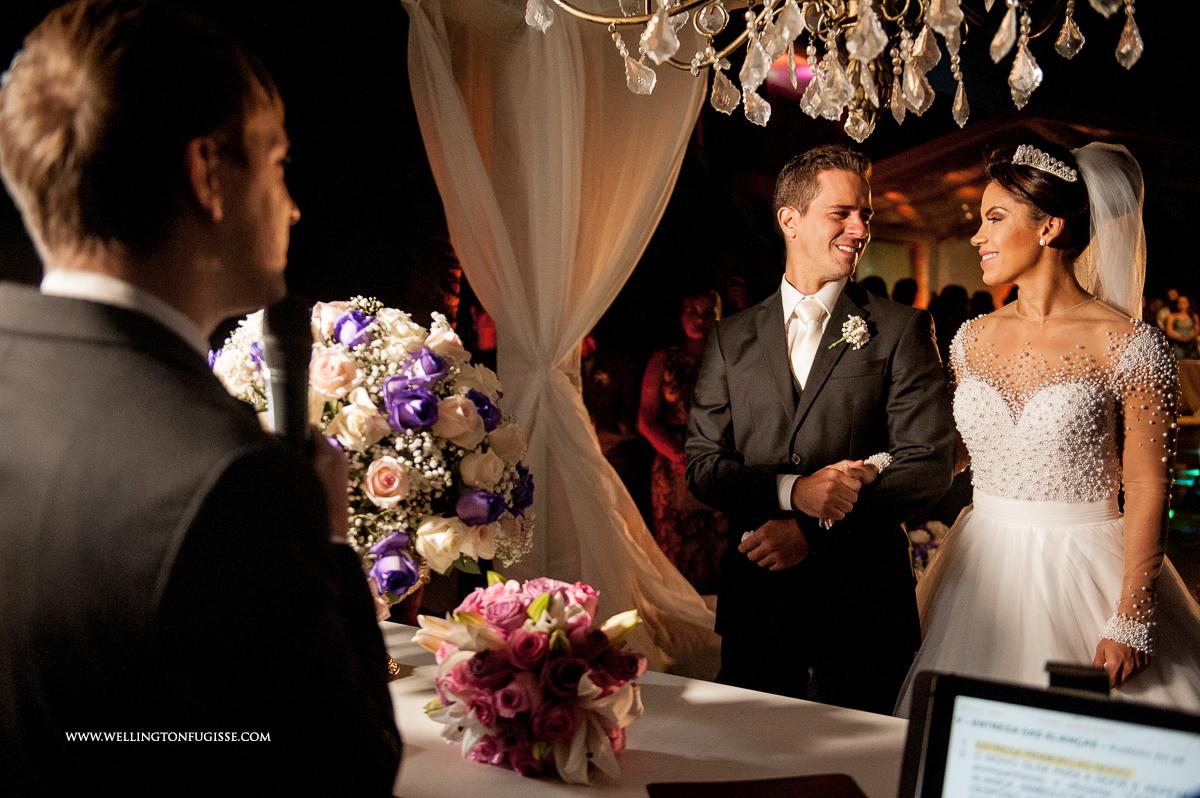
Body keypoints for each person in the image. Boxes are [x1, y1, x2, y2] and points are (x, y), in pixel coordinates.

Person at [0, 2, 402, 793]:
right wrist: (330, 546)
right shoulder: (233, 481)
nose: (291, 207)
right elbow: (348, 777)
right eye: (278, 163)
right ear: (208, 175)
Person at [895, 140, 1200, 717]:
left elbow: (1149, 488)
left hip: (1085, 570)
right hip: (982, 568)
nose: (978, 237)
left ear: (1049, 227)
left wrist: (1133, 612)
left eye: (995, 218)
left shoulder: (1131, 346)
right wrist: (883, 461)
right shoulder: (970, 339)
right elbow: (957, 452)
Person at [686, 145, 956, 714]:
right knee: (747, 762)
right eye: (842, 213)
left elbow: (927, 463)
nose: (860, 229)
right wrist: (791, 493)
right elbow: (703, 465)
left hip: (863, 602)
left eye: (866, 215)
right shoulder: (731, 338)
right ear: (790, 218)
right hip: (757, 594)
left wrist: (814, 529)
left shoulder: (902, 328)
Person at [639, 290, 728, 594]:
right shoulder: (664, 359)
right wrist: (680, 456)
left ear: (718, 316)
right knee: (676, 545)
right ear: (681, 316)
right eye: (692, 310)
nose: (700, 318)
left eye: (707, 311)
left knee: (718, 544)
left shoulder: (730, 360)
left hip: (719, 460)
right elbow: (645, 420)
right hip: (672, 462)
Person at [1165, 295, 1200, 359]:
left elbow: (1197, 331)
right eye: (1180, 302)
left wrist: (1189, 338)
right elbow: (1169, 332)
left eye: (1184, 302)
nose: (1182, 305)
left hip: (1191, 345)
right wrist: (1180, 338)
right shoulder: (1172, 316)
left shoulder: (1193, 316)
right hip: (1177, 345)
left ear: (1188, 303)